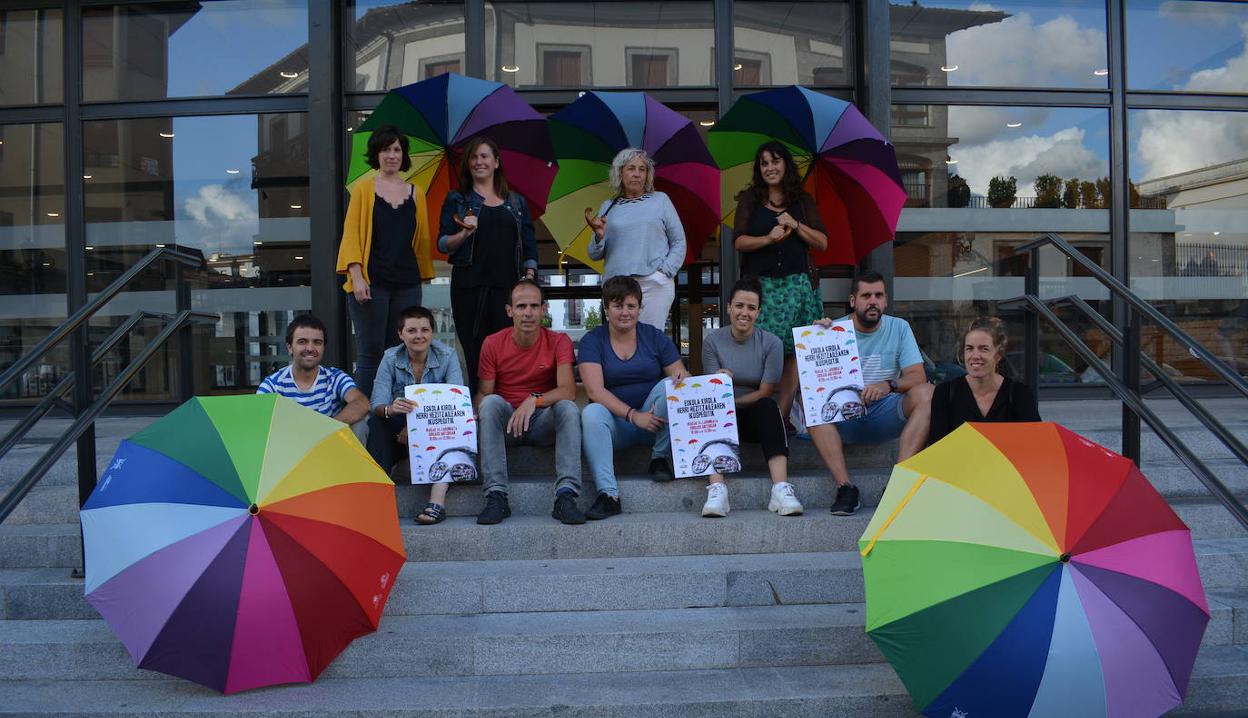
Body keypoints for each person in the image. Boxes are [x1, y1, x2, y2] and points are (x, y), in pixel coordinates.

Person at [807, 271, 934, 516]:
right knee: (812, 401)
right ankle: (845, 488)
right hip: (844, 418)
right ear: (853, 301)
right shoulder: (833, 330)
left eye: (878, 295)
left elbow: (918, 376)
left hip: (886, 412)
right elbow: (812, 382)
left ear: (885, 300)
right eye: (866, 296)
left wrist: (888, 385)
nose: (873, 301)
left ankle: (898, 485)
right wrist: (816, 338)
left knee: (928, 393)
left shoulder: (899, 327)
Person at [733, 140, 829, 430]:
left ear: (786, 164)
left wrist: (796, 224)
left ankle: (782, 415)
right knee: (763, 352)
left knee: (793, 353)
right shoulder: (750, 199)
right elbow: (738, 241)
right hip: (762, 289)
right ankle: (757, 414)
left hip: (797, 287)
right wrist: (768, 238)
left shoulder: (803, 201)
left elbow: (822, 243)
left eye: (775, 161)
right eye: (764, 163)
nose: (770, 168)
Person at [336, 125, 434, 398]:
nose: (392, 155)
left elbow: (422, 239)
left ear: (403, 155)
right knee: (370, 352)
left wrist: (425, 273)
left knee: (402, 351)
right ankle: (365, 415)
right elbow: (351, 234)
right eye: (386, 149)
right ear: (376, 155)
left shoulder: (417, 193)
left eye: (397, 149)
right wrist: (357, 276)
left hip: (407, 283)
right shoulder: (363, 189)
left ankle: (398, 413)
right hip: (372, 282)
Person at [476, 279, 584, 525]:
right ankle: (496, 495)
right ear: (509, 311)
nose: (528, 313)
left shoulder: (559, 341)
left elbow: (568, 390)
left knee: (568, 408)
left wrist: (534, 400)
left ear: (544, 309)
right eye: (521, 306)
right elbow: (484, 393)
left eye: (534, 306)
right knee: (489, 404)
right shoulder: (492, 343)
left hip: (541, 423)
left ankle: (566, 496)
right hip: (508, 424)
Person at [579, 276, 688, 520]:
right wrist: (633, 415)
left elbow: (681, 376)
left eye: (631, 306)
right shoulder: (592, 341)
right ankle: (608, 495)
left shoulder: (654, 337)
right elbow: (594, 391)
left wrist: (682, 376)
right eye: (618, 306)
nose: (625, 312)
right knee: (591, 412)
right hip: (617, 427)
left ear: (640, 308)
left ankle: (659, 458)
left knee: (672, 386)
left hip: (655, 423)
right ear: (606, 308)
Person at [438, 135, 539, 394]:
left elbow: (529, 246)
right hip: (468, 289)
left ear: (496, 162)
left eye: (484, 156)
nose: (478, 162)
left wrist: (529, 277)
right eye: (473, 157)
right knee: (475, 353)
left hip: (507, 290)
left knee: (507, 354)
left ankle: (503, 407)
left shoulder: (516, 202)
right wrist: (464, 233)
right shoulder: (457, 199)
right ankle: (478, 409)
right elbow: (443, 243)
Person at [699, 277, 803, 518]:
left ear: (758, 312)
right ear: (728, 307)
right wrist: (719, 383)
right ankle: (717, 489)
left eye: (751, 307)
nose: (744, 313)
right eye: (739, 306)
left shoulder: (772, 343)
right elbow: (711, 394)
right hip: (723, 419)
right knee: (710, 410)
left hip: (756, 418)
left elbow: (765, 391)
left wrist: (730, 402)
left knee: (768, 405)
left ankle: (780, 488)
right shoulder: (712, 341)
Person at [368, 305, 465, 525]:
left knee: (454, 423)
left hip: (436, 426)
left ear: (432, 333)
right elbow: (377, 404)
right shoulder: (390, 357)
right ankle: (376, 498)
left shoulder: (447, 355)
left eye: (425, 330)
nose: (419, 336)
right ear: (400, 334)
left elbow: (456, 401)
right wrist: (391, 410)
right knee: (377, 423)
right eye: (411, 330)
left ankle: (437, 502)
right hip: (399, 424)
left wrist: (415, 428)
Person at [587, 148, 686, 330]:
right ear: (620, 172)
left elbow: (679, 241)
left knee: (649, 338)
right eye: (631, 168)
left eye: (642, 169)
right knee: (620, 338)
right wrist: (599, 237)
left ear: (648, 174)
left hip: (653, 283)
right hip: (616, 285)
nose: (637, 174)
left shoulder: (660, 200)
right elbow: (593, 254)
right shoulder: (608, 207)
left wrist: (664, 271)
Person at [257, 314, 370, 442]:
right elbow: (258, 421)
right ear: (289, 347)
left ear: (323, 348)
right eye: (302, 342)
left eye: (317, 342)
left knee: (359, 426)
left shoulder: (334, 377)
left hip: (330, 445)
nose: (310, 348)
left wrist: (327, 428)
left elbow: (362, 403)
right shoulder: (272, 385)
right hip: (289, 447)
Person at [928, 317, 1040, 445]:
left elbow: (1034, 443)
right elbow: (937, 447)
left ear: (998, 354)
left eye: (984, 349)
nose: (975, 356)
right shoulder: (945, 393)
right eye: (969, 348)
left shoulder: (1019, 394)